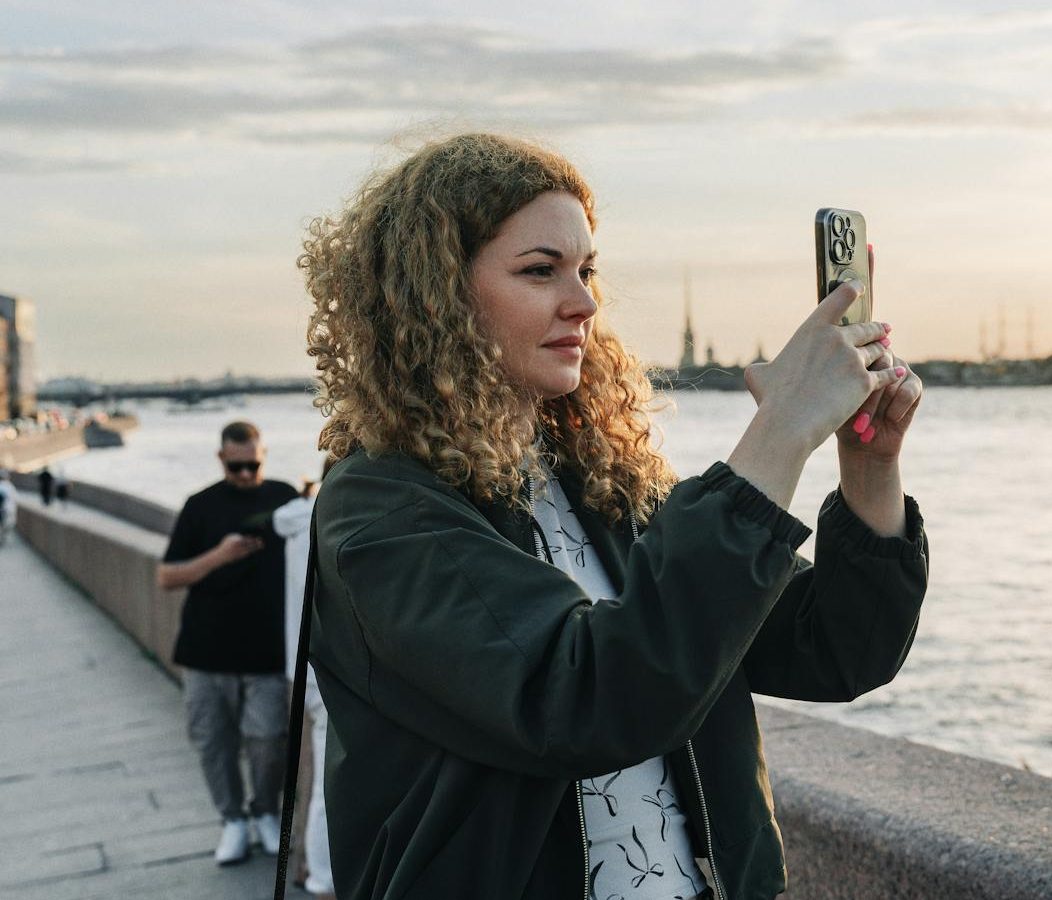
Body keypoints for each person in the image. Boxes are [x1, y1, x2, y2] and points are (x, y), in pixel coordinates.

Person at [299, 132, 929, 899]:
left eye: (587, 269)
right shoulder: (382, 507)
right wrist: (780, 431)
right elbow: (583, 699)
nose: (584, 302)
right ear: (435, 296)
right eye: (541, 271)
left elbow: (834, 651)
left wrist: (869, 467)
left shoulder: (604, 478)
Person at [156, 421, 300, 865]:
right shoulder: (199, 506)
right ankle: (233, 821)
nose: (244, 474)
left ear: (264, 455)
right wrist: (221, 554)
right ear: (221, 459)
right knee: (214, 744)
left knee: (268, 743)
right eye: (236, 466)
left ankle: (265, 813)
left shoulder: (285, 499)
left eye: (252, 465)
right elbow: (166, 576)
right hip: (206, 653)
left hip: (268, 652)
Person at [273, 462, 335, 899]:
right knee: (328, 788)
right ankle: (322, 879)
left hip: (300, 667)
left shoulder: (297, 519)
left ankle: (307, 868)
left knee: (313, 776)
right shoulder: (332, 523)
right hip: (325, 669)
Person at [0, 469, 16, 547]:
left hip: (4, 509)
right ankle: (3, 539)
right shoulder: (10, 486)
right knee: (6, 525)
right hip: (7, 509)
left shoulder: (7, 486)